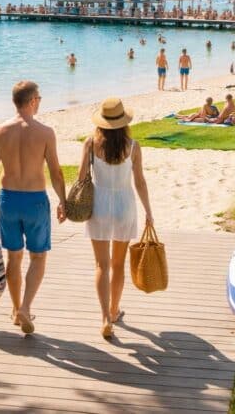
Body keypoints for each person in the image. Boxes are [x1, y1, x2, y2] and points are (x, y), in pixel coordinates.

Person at [0, 81, 67, 336]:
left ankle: (16, 308)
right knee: (38, 257)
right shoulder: (45, 132)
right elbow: (56, 171)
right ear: (31, 101)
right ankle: (26, 308)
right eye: (38, 98)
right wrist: (63, 200)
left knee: (14, 256)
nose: (39, 102)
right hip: (35, 200)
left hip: (8, 199)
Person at [78, 98, 153, 339]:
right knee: (118, 265)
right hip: (124, 206)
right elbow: (140, 182)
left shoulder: (90, 144)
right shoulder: (133, 146)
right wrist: (149, 212)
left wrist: (68, 204)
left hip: (98, 206)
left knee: (101, 265)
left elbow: (81, 178)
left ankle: (104, 318)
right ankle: (113, 310)